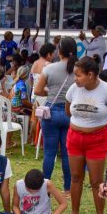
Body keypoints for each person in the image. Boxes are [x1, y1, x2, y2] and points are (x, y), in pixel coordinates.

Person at [63, 56, 107, 214]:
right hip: (74, 138)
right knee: (75, 177)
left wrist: (102, 129)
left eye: (78, 75)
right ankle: (74, 212)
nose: (75, 78)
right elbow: (68, 110)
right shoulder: (74, 89)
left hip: (97, 140)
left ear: (90, 75)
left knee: (96, 181)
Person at [34, 37, 77, 194]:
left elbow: (38, 91)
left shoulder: (49, 68)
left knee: (49, 153)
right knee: (67, 154)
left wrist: (50, 91)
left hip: (51, 113)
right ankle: (67, 188)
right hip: (70, 113)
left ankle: (45, 186)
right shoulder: (78, 69)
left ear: (59, 51)